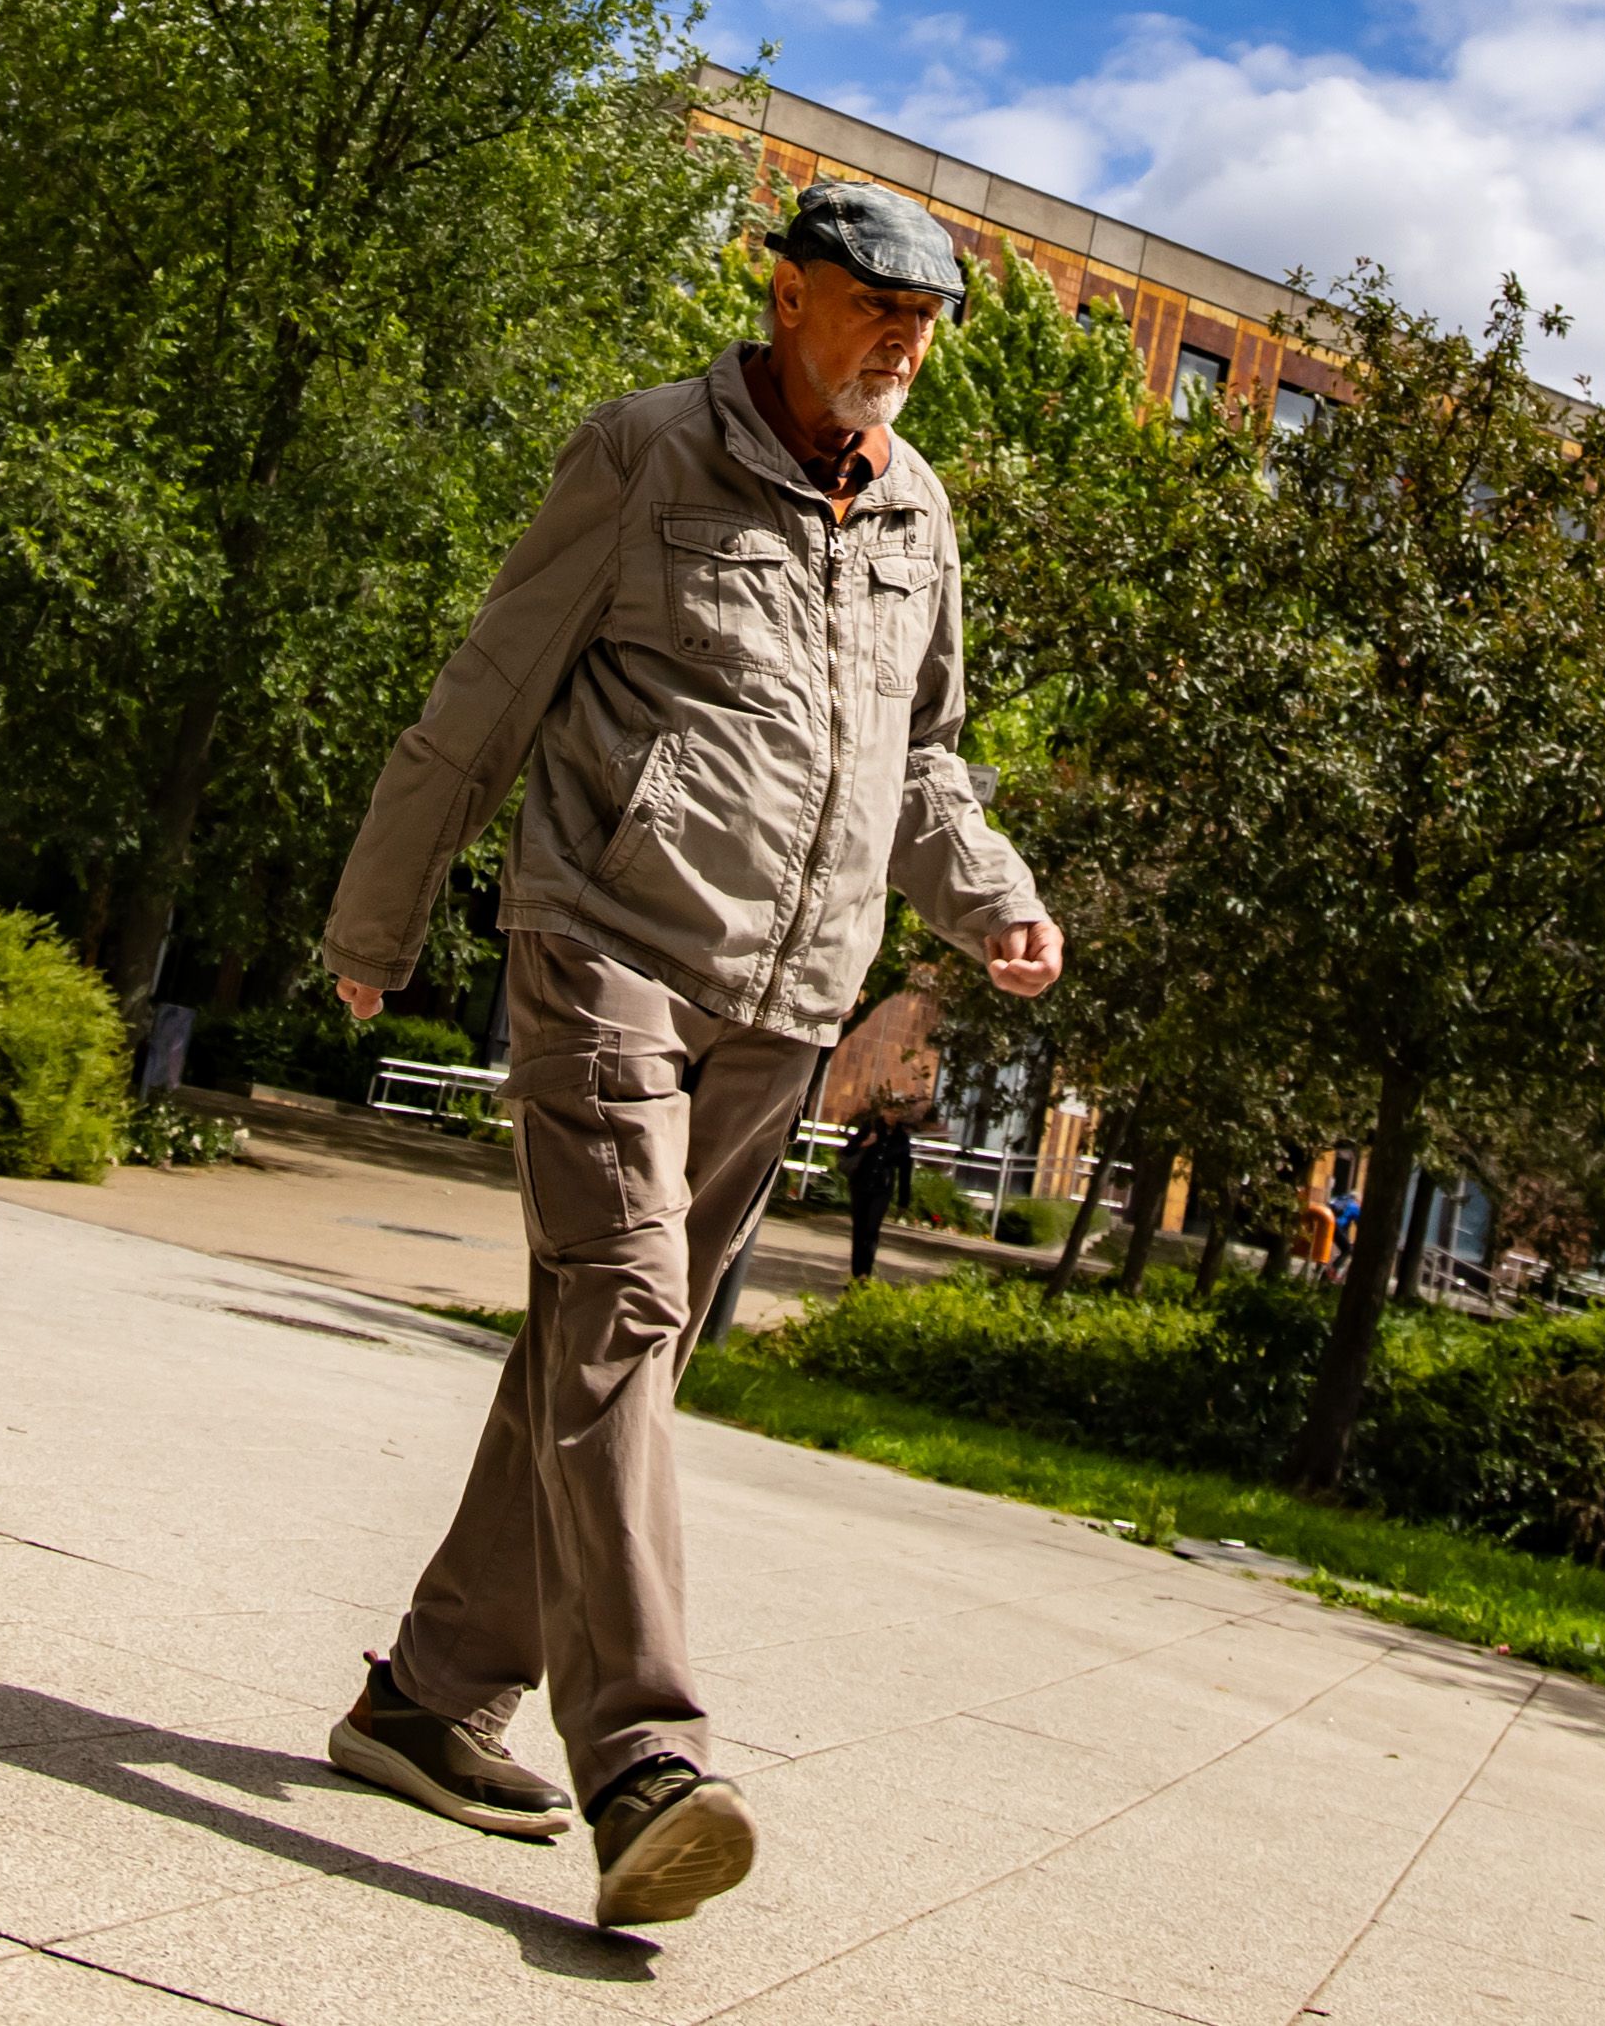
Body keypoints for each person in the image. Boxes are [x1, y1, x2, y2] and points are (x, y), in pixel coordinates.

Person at [314, 180, 1061, 1932]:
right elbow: (489, 689)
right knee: (631, 1305)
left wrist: (994, 898)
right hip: (608, 944)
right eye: (874, 301)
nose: (903, 338)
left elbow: (924, 762)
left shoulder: (921, 512)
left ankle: (426, 1700)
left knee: (607, 1333)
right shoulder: (648, 451)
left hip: (787, 999)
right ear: (787, 291)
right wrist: (378, 921)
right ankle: (646, 1756)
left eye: (929, 317)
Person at [839, 1103, 920, 1289]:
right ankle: (856, 1274)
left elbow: (905, 1171)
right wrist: (864, 1143)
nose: (893, 1115)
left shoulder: (901, 1138)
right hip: (860, 1185)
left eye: (897, 1111)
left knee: (871, 1229)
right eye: (890, 1110)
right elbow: (847, 1151)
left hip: (882, 1189)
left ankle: (865, 1275)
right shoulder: (869, 1128)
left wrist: (903, 1201)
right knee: (859, 1231)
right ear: (884, 1111)